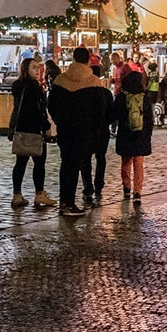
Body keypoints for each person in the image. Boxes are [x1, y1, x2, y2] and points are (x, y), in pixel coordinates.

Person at [46, 46, 109, 217]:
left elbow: (51, 104)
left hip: (65, 129)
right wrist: (95, 128)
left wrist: (60, 120)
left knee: (66, 163)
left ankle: (64, 200)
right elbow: (100, 110)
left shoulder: (61, 79)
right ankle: (70, 204)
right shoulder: (93, 81)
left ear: (73, 59)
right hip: (84, 130)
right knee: (75, 164)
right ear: (88, 60)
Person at [9, 56, 55, 209]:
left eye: (38, 67)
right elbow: (37, 110)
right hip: (34, 129)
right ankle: (39, 194)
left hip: (21, 128)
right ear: (26, 70)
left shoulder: (18, 86)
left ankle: (17, 194)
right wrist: (46, 125)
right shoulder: (33, 87)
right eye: (34, 67)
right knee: (39, 162)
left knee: (20, 163)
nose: (38, 70)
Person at [113, 69, 153, 202]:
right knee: (138, 163)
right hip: (141, 135)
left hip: (125, 134)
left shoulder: (122, 97)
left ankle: (126, 187)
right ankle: (137, 191)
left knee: (126, 162)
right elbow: (149, 119)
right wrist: (148, 135)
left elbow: (114, 115)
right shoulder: (144, 98)